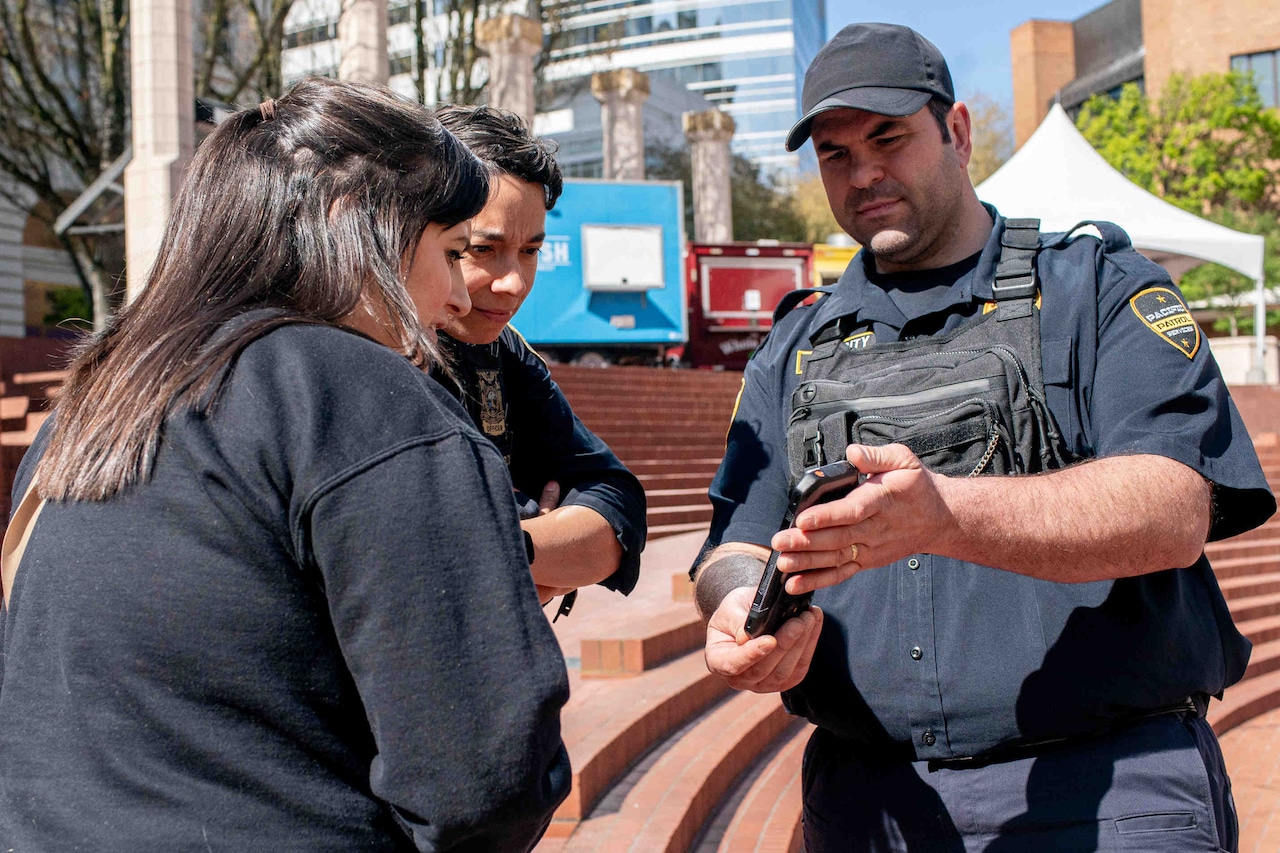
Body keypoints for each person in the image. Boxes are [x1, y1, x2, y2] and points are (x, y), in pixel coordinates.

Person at [691, 22, 1275, 852]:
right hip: (867, 805)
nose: (864, 173)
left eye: (888, 138)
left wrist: (947, 515)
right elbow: (731, 545)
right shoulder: (796, 343)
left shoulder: (1097, 289)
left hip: (1107, 795)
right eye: (835, 154)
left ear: (957, 133)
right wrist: (741, 613)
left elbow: (1174, 503)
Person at [0, 78, 570, 851]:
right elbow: (484, 780)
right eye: (447, 250)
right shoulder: (366, 398)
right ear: (351, 225)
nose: (453, 297)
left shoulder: (95, 399)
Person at [432, 104, 646, 611]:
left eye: (530, 251)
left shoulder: (506, 350)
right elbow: (429, 548)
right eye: (483, 250)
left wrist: (522, 549)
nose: (515, 283)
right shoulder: (369, 360)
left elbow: (619, 502)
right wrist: (546, 542)